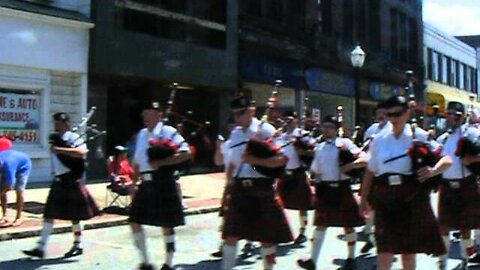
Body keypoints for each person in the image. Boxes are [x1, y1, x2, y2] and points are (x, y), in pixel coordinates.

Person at [359, 96, 451, 270]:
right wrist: (363, 199)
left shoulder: (419, 136)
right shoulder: (378, 139)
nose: (394, 119)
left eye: (398, 114)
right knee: (384, 250)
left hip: (410, 196)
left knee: (408, 252)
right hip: (384, 195)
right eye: (390, 114)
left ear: (407, 113)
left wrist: (432, 171)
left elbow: (447, 160)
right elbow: (370, 171)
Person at [221, 95, 292, 270]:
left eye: (240, 114)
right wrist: (227, 187)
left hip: (261, 186)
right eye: (235, 115)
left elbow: (282, 159)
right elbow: (232, 163)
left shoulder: (266, 130)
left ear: (251, 111)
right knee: (230, 235)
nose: (236, 118)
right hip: (239, 188)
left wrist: (254, 160)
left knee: (266, 238)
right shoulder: (235, 134)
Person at [23, 112, 100, 259]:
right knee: (49, 214)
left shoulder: (72, 137)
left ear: (65, 123)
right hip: (58, 180)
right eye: (55, 123)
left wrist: (60, 150)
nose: (56, 125)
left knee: (75, 216)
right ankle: (41, 247)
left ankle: (78, 244)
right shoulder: (56, 139)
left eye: (58, 123)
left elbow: (81, 152)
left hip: (71, 179)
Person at [297, 115, 366, 270]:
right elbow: (314, 170)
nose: (326, 130)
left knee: (348, 225)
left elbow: (364, 159)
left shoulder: (346, 144)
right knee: (320, 225)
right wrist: (313, 176)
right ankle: (312, 261)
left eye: (330, 127)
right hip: (325, 189)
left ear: (336, 129)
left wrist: (349, 167)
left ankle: (351, 258)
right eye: (325, 126)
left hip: (342, 188)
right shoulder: (319, 147)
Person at [130, 101, 191, 270]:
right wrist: (133, 183)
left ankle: (168, 263)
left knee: (167, 224)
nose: (145, 117)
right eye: (144, 114)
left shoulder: (168, 132)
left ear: (159, 115)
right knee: (134, 220)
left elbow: (186, 153)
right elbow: (136, 162)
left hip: (163, 181)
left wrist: (163, 161)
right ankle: (145, 262)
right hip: (146, 182)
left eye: (149, 113)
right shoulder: (142, 134)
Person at [435, 101, 480, 269]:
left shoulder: (472, 134)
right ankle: (443, 264)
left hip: (466, 185)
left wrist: (472, 159)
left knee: (465, 228)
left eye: (454, 115)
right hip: (446, 186)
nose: (450, 118)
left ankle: (466, 260)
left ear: (460, 117)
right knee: (443, 226)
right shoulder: (443, 138)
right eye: (448, 114)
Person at [275, 110, 315, 245]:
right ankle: (279, 230)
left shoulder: (302, 135)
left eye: (290, 118)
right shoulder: (280, 136)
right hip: (284, 173)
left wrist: (301, 150)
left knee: (302, 204)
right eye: (285, 118)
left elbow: (313, 152)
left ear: (296, 120)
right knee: (277, 203)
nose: (287, 121)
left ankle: (303, 231)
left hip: (298, 173)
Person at [360, 101, 392, 253]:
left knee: (382, 214)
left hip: (385, 174)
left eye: (384, 113)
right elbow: (365, 147)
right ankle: (372, 237)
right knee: (370, 205)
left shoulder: (391, 129)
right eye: (379, 113)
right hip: (371, 171)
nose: (381, 116)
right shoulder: (372, 129)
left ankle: (379, 243)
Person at [0, 137, 32, 227]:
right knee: (1, 188)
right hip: (11, 162)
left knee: (19, 190)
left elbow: (9, 186)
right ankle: (5, 216)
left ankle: (19, 217)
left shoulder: (8, 164)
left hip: (24, 166)